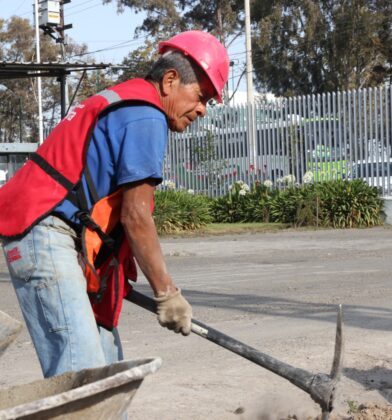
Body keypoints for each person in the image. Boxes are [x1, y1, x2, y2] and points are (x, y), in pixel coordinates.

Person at [0, 31, 229, 378]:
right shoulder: (146, 115)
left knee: (110, 370)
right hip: (43, 230)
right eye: (201, 96)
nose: (202, 109)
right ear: (170, 80)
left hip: (63, 235)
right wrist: (166, 293)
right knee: (84, 373)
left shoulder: (129, 101)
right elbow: (136, 216)